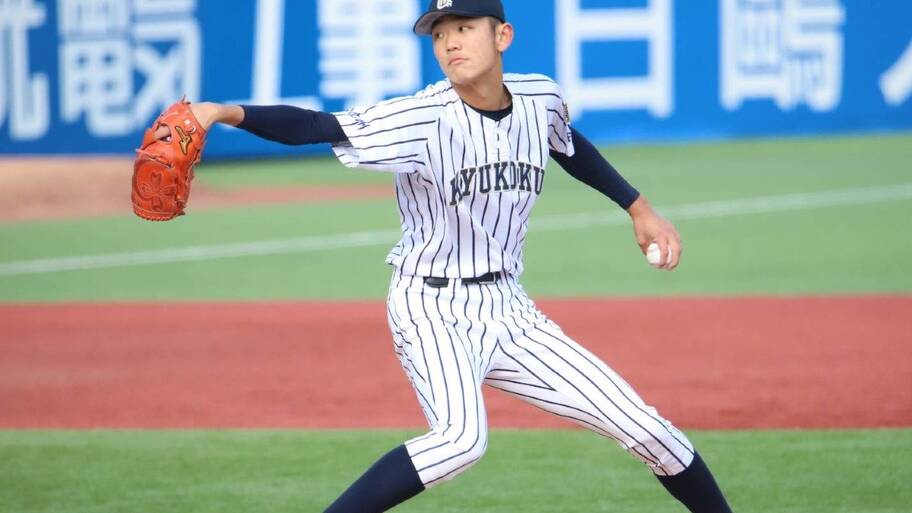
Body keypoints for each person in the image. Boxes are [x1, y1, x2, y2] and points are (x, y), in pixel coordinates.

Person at [157, 1, 735, 511]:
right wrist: (220, 112)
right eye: (439, 34)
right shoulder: (420, 118)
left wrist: (637, 206)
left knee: (648, 430)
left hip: (510, 309)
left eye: (463, 28)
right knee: (460, 441)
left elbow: (566, 143)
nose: (450, 42)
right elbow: (315, 125)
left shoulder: (541, 97)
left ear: (502, 36)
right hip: (430, 307)